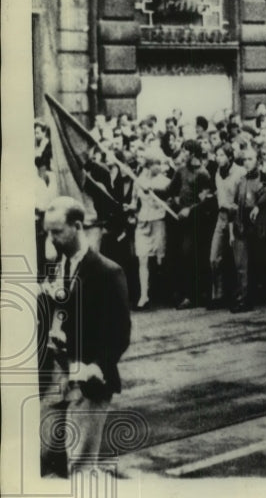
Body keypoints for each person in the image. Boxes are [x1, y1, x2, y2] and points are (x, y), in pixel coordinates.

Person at [38, 197, 131, 477]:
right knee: (43, 453)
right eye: (47, 232)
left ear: (77, 226)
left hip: (88, 378)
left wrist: (98, 366)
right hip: (56, 373)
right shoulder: (56, 267)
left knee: (79, 463)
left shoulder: (107, 271)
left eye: (57, 231)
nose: (50, 239)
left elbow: (120, 332)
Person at [162, 139, 213, 309]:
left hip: (197, 222)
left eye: (184, 151)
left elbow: (205, 201)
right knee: (181, 257)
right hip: (181, 222)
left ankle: (196, 296)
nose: (182, 154)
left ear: (191, 153)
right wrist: (151, 189)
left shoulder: (203, 174)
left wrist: (190, 210)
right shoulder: (180, 171)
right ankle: (185, 294)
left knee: (193, 257)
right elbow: (169, 190)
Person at [232, 145, 266, 312]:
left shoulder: (265, 179)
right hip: (242, 225)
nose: (247, 162)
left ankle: (262, 296)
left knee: (260, 263)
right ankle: (243, 299)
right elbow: (236, 204)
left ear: (258, 161)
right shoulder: (241, 180)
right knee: (242, 265)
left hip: (259, 227)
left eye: (250, 159)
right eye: (244, 159)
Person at [132, 155, 172, 308]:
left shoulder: (165, 181)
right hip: (143, 222)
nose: (160, 167)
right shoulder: (138, 181)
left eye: (161, 164)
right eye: (157, 164)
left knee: (160, 257)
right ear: (149, 165)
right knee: (142, 258)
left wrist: (155, 192)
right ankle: (144, 296)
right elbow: (134, 202)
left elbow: (169, 199)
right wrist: (132, 210)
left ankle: (162, 294)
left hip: (158, 220)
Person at [209, 144, 245, 308]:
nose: (218, 158)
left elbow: (240, 199)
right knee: (214, 258)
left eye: (222, 155)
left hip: (236, 216)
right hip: (221, 216)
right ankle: (218, 295)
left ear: (230, 157)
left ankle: (240, 297)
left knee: (238, 261)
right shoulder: (217, 172)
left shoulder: (239, 172)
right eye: (217, 155)